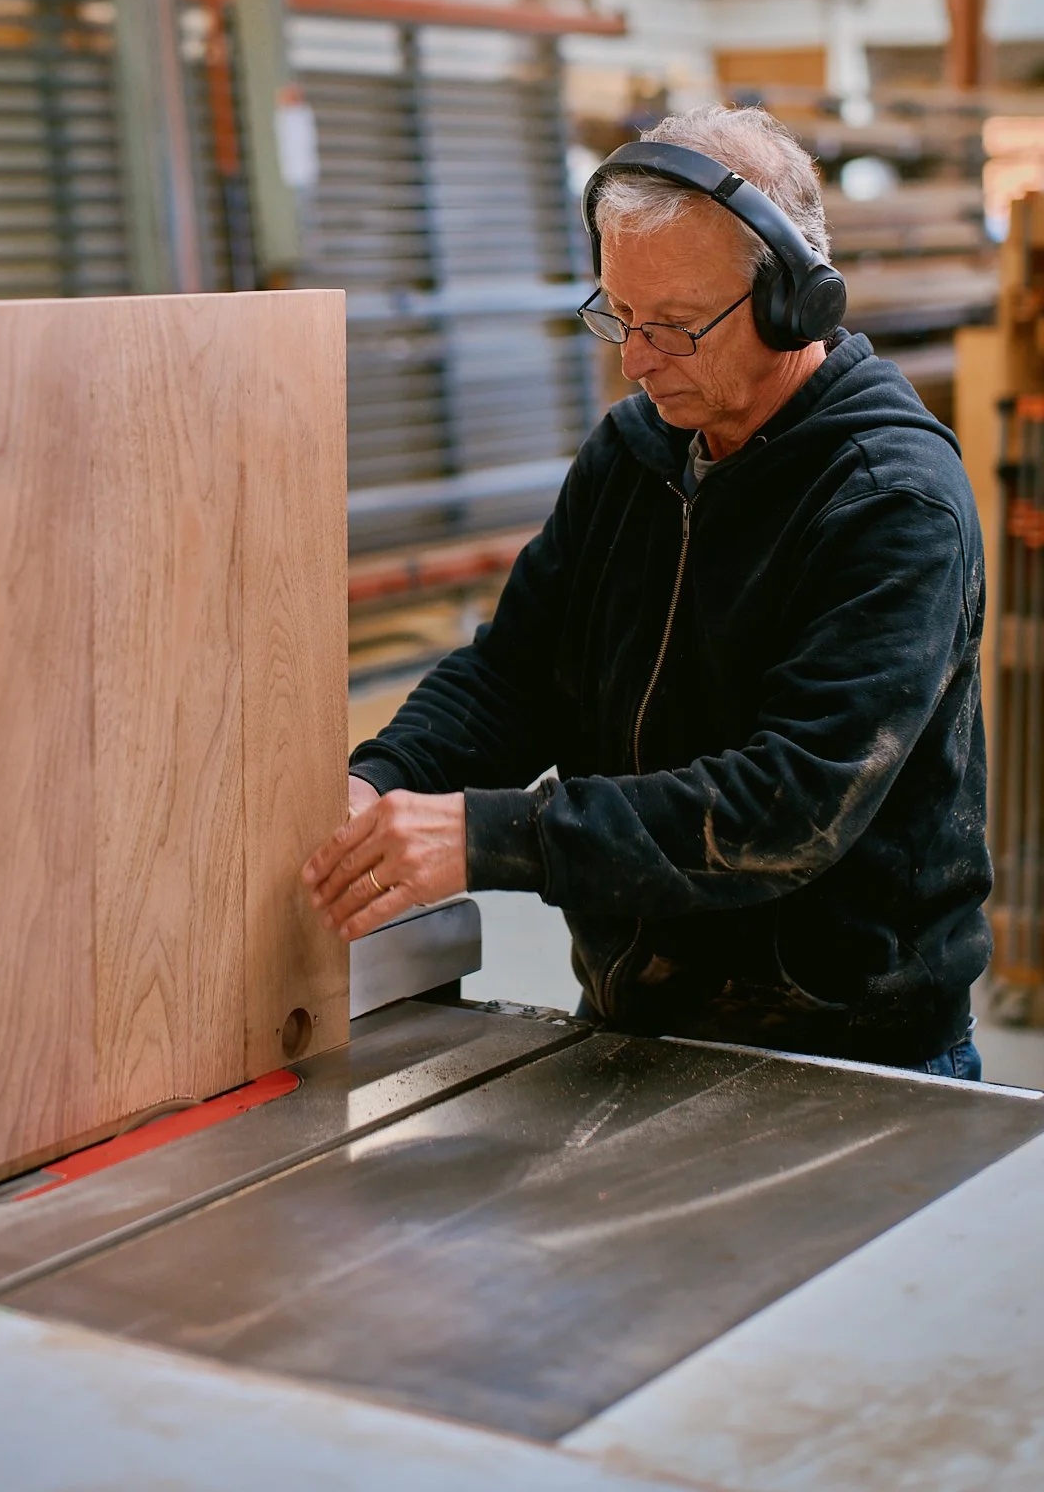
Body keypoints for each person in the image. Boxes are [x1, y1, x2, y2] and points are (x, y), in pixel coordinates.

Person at [302, 105, 992, 1078]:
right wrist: (378, 778)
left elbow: (787, 804)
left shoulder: (889, 500)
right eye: (617, 316)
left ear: (795, 301)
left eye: (671, 325)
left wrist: (495, 837)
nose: (632, 358)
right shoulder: (632, 457)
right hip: (640, 1017)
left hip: (849, 1052)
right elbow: (514, 674)